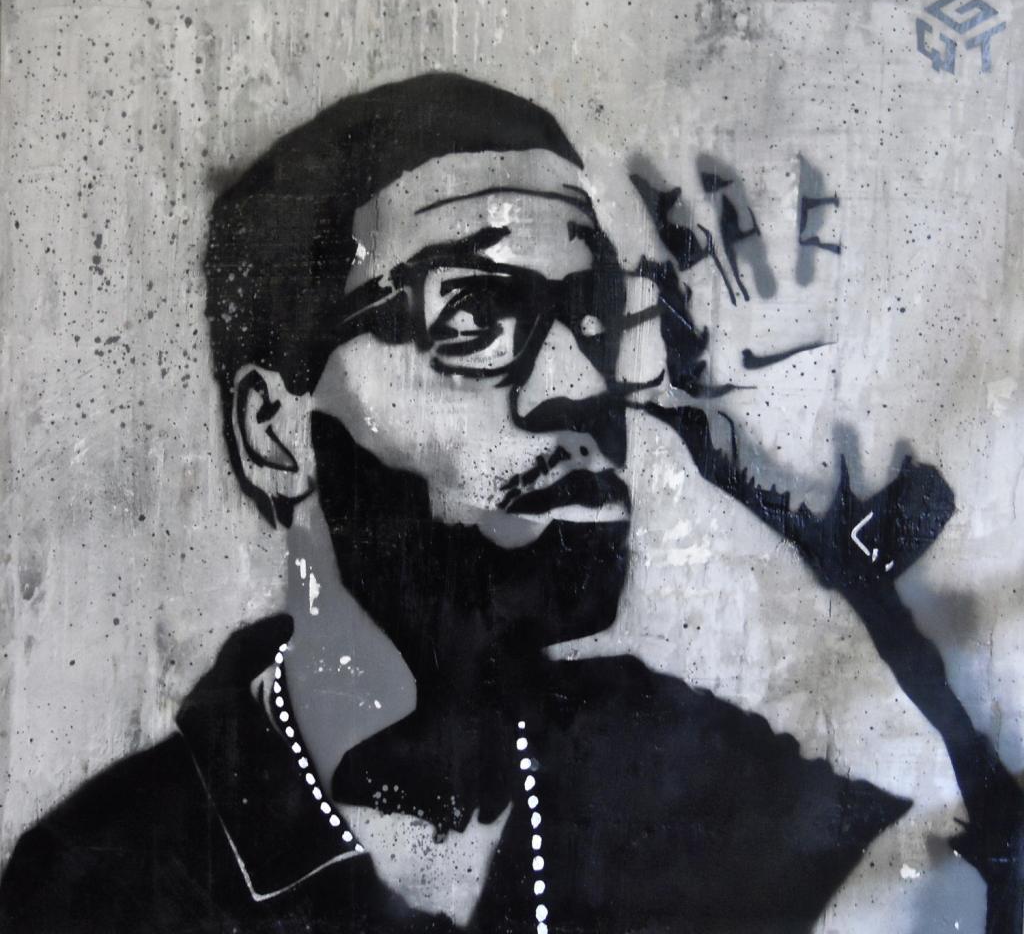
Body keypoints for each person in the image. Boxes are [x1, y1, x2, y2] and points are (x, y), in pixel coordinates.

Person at [0, 73, 1014, 934]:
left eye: (594, 312)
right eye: (476, 315)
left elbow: (971, 890)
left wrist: (839, 549)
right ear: (275, 433)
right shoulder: (109, 880)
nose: (579, 382)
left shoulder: (662, 766)